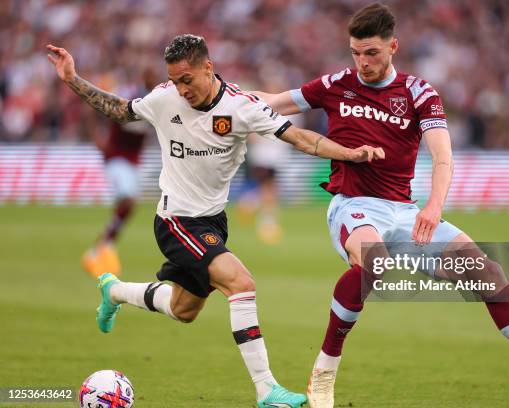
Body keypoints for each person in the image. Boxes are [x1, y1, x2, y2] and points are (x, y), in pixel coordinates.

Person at [253, 3, 509, 407]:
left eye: (371, 53)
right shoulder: (336, 84)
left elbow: (443, 156)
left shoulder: (418, 92)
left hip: (406, 211)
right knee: (372, 259)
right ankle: (324, 372)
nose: (362, 62)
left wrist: (434, 207)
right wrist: (222, 97)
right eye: (355, 52)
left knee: (487, 274)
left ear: (393, 47)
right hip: (353, 205)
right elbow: (274, 101)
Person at [46, 34, 384, 408]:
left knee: (183, 309)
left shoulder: (242, 107)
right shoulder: (163, 98)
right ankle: (266, 389)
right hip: (176, 221)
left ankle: (113, 291)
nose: (181, 89)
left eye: (186, 79)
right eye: (174, 80)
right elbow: (119, 109)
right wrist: (72, 79)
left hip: (213, 222)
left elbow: (302, 139)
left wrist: (351, 154)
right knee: (240, 283)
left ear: (208, 67)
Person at [82, 68, 157, 278]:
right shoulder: (131, 101)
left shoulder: (156, 106)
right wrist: (97, 137)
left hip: (133, 162)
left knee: (127, 208)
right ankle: (104, 248)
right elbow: (93, 109)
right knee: (128, 202)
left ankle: (100, 249)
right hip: (116, 158)